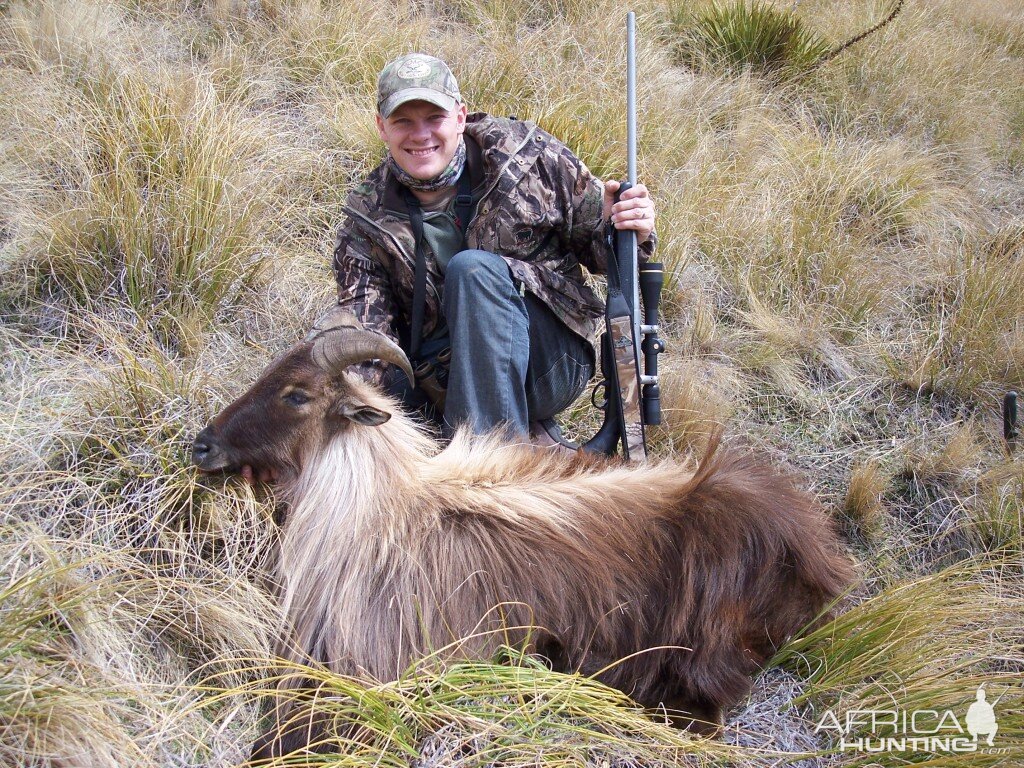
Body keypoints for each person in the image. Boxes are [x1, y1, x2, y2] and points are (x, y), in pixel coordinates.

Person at [332, 53, 656, 446]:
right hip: (442, 381)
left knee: (474, 271)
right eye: (403, 121)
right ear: (382, 127)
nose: (420, 135)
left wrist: (628, 228)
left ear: (460, 116)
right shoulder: (365, 218)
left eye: (434, 118)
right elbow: (370, 338)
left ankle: (491, 467)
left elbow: (609, 257)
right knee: (331, 358)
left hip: (549, 362)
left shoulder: (529, 158)